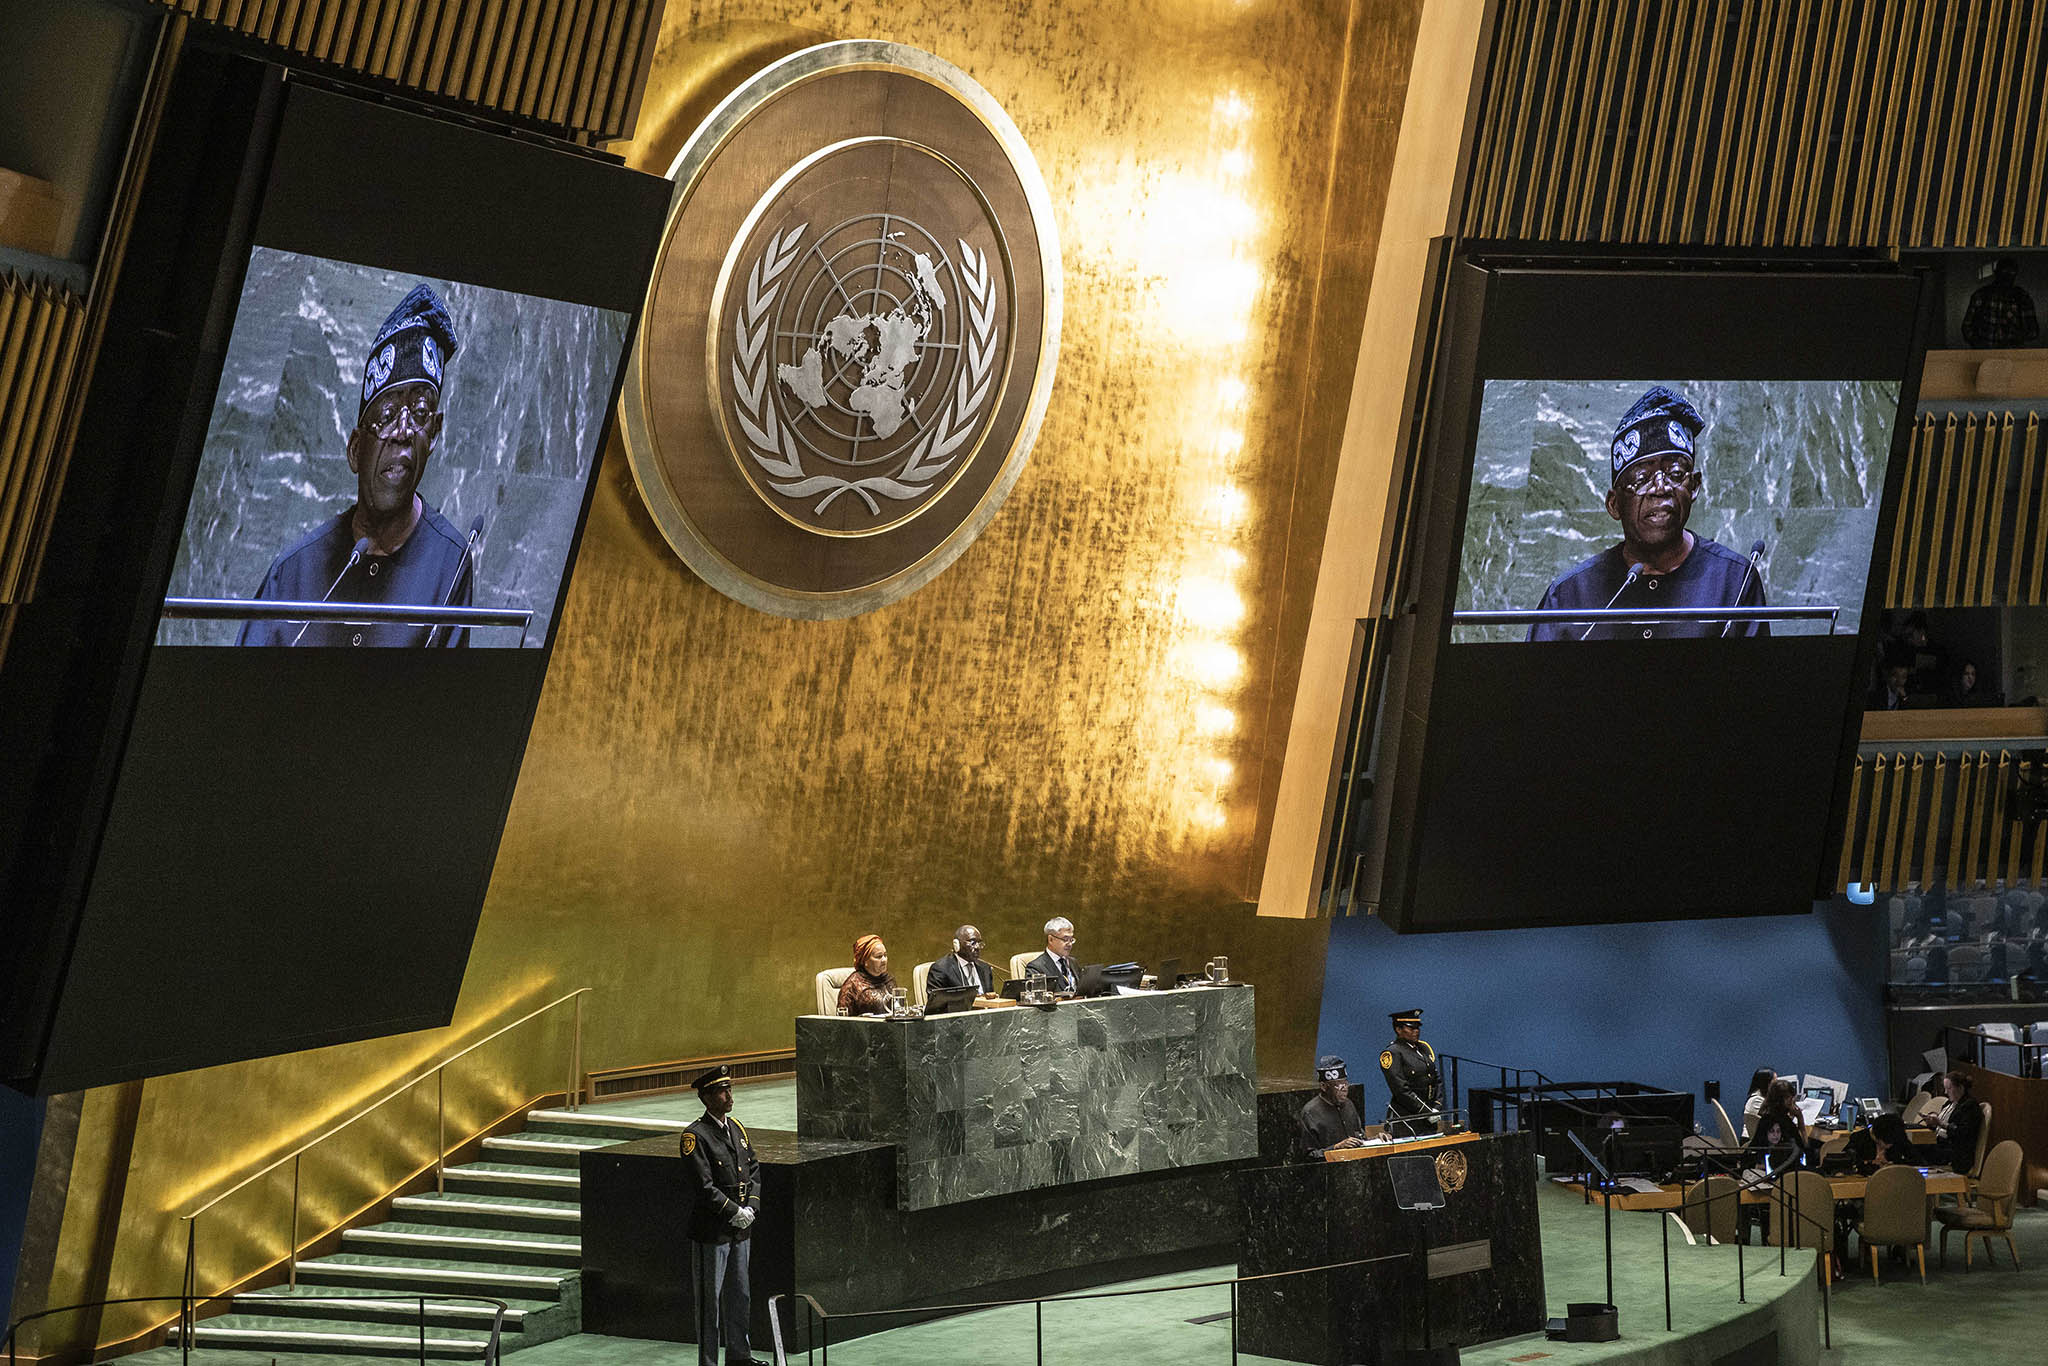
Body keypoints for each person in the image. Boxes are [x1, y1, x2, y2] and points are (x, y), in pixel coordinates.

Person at [239, 283, 478, 647]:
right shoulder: (295, 572)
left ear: (434, 435)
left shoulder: (450, 562)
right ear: (355, 450)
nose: (402, 431)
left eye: (419, 413)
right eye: (385, 415)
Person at [1527, 386, 1767, 641]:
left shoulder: (1735, 582)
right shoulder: (1569, 596)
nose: (1661, 488)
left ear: (1694, 487)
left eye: (1675, 474)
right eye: (1641, 478)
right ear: (1614, 504)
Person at [683, 1066, 764, 1366]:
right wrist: (733, 1211)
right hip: (713, 1231)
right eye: (721, 1090)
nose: (729, 1095)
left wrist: (751, 1208)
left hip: (741, 1230)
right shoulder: (695, 1136)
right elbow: (704, 1186)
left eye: (730, 1089)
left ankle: (739, 1356)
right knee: (709, 1304)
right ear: (706, 1098)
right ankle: (708, 1362)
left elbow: (753, 1168)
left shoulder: (737, 1129)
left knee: (740, 1296)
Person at [1380, 1008, 1443, 1138]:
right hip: (1406, 1120)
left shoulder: (1423, 1048)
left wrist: (1437, 1107)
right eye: (1411, 1028)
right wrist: (1426, 1112)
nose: (1416, 1031)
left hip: (1430, 1118)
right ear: (1398, 1030)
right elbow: (1401, 1090)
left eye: (1417, 1028)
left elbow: (1436, 1080)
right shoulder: (1393, 1052)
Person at [1298, 1055, 1367, 1160]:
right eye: (1337, 1085)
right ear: (1324, 1087)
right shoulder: (1310, 1113)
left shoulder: (1349, 1105)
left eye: (1345, 1083)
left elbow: (1360, 1137)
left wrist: (1377, 1140)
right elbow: (1308, 1156)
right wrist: (1336, 1148)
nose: (1344, 1089)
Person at [1961, 256, 2040, 348]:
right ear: (1996, 273)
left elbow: (2033, 331)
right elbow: (1966, 326)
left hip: (2011, 356)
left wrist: (2016, 338)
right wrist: (1978, 344)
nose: (2007, 278)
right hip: (1984, 356)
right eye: (2004, 273)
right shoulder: (1981, 296)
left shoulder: (2022, 298)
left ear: (2015, 276)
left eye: (2011, 274)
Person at [1926, 1070, 1984, 1172]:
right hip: (1941, 1146)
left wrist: (1941, 1124)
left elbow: (1962, 1133)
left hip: (1955, 1153)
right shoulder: (1949, 1103)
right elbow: (1940, 1128)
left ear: (1960, 1088)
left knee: (1916, 1150)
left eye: (1949, 1088)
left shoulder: (1970, 1106)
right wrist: (1932, 1124)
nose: (1945, 1092)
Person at [837, 934, 900, 1016]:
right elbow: (842, 1024)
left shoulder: (889, 979)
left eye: (885, 955)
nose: (884, 960)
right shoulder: (852, 986)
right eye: (878, 956)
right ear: (865, 960)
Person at [927, 924, 994, 995]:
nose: (977, 947)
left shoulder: (985, 968)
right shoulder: (941, 969)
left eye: (979, 943)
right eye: (972, 942)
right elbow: (937, 1003)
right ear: (957, 945)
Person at [1023, 917, 1081, 995]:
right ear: (1051, 939)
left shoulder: (1073, 962)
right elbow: (1037, 997)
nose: (1069, 944)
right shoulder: (1035, 968)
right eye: (1065, 939)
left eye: (1071, 939)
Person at [1741, 1068, 1776, 1140]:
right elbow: (1771, 1122)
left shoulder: (1763, 1097)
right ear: (1766, 1083)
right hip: (1750, 1141)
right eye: (1775, 1082)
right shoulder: (1756, 1100)